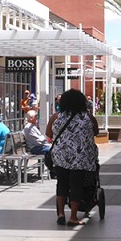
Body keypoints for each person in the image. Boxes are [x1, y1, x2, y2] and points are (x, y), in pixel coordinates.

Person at [50, 89, 99, 226]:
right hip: (80, 158)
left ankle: (61, 214)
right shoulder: (88, 118)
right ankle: (73, 217)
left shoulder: (56, 117)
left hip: (60, 157)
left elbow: (49, 133)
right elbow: (95, 132)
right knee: (76, 186)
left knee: (61, 184)